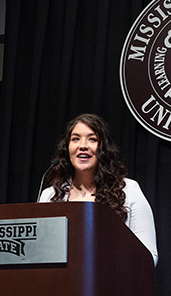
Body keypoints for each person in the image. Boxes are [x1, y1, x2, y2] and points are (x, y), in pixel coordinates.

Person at [38, 113, 158, 266]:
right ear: (67, 148)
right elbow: (40, 252)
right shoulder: (50, 195)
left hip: (114, 284)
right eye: (75, 139)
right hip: (62, 285)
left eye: (92, 139)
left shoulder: (129, 190)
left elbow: (149, 256)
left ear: (104, 148)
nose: (83, 145)